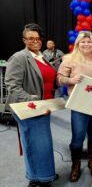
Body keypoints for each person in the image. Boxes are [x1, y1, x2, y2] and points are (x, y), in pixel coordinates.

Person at [5, 23, 58, 187]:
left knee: (43, 143)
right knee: (34, 143)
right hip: (29, 108)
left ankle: (45, 174)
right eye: (30, 38)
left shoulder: (41, 57)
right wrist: (30, 99)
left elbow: (48, 79)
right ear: (24, 40)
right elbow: (11, 85)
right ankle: (36, 179)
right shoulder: (19, 57)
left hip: (44, 107)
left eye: (37, 38)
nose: (34, 41)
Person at [57, 31, 92, 182]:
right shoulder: (69, 59)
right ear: (78, 44)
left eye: (89, 41)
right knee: (78, 136)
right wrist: (71, 80)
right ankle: (76, 165)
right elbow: (59, 79)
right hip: (79, 103)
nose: (86, 44)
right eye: (82, 42)